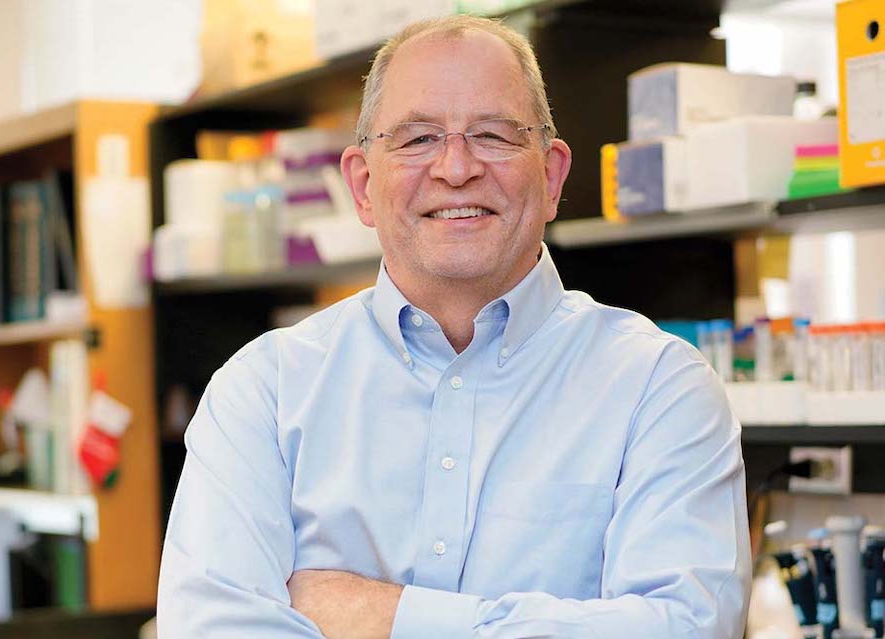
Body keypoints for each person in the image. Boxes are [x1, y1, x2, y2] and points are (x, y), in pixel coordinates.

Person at [157, 14, 751, 639]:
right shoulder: (264, 391)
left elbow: (686, 629)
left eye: (494, 135)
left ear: (551, 177)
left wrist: (385, 616)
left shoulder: (661, 387)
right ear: (362, 185)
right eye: (416, 140)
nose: (457, 167)